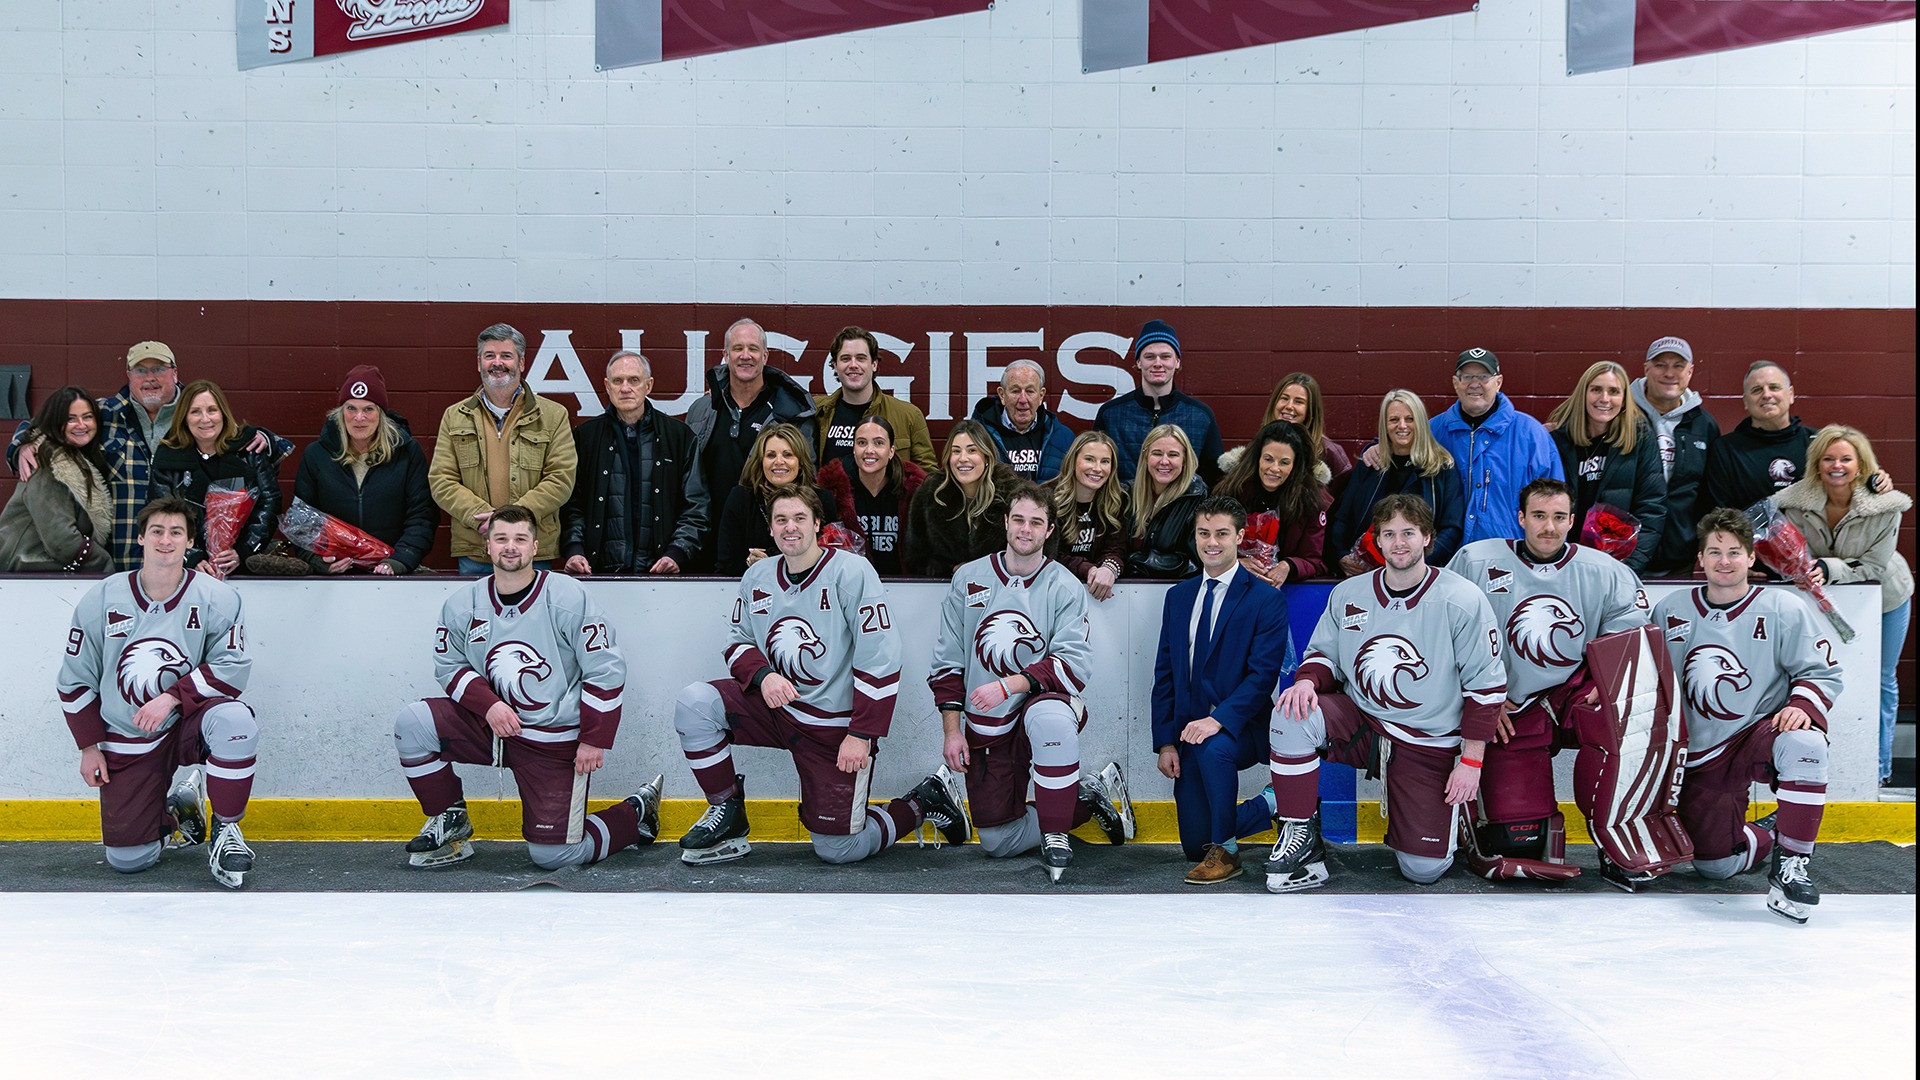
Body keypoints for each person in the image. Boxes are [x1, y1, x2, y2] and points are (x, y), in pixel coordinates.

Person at [672, 485, 971, 865]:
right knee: (695, 703)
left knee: (838, 849)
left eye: (799, 518)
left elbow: (881, 658)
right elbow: (737, 642)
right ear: (771, 528)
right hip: (776, 709)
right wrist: (763, 676)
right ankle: (726, 813)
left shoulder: (851, 572)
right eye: (781, 519)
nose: (790, 527)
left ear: (817, 524)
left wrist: (861, 734)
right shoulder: (758, 577)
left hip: (835, 731)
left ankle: (924, 801)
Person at [391, 504, 661, 871]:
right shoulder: (461, 605)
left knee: (555, 857)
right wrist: (487, 705)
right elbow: (448, 664)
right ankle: (449, 817)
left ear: (536, 547)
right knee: (413, 723)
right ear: (487, 545)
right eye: (501, 538)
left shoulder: (567, 597)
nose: (510, 547)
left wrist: (594, 737)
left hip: (552, 741)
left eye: (520, 539)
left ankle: (636, 812)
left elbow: (606, 669)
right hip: (490, 728)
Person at [1266, 494, 1506, 891]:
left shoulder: (1461, 599)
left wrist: (1472, 762)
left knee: (1422, 870)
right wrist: (1307, 681)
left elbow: (1486, 685)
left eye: (1408, 533)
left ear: (1427, 537)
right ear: (1376, 540)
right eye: (1389, 533)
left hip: (1428, 741)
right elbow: (1325, 655)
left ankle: (1454, 820)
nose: (1399, 543)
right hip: (1364, 721)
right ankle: (1301, 835)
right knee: (1292, 711)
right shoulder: (1349, 594)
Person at [929, 481, 1134, 881]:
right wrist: (953, 731)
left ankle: (1055, 833)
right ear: (1005, 523)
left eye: (1035, 522)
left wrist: (1008, 686)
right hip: (987, 723)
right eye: (1019, 520)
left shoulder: (1064, 586)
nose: (1026, 529)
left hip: (1041, 705)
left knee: (1049, 717)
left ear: (1049, 531)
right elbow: (947, 661)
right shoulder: (969, 578)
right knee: (996, 841)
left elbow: (1073, 664)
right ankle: (1088, 798)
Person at [1449, 479, 1651, 884]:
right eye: (1539, 516)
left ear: (1572, 521)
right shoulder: (1474, 561)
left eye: (1559, 517)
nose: (1548, 527)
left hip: (1573, 693)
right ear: (1520, 518)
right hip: (1510, 704)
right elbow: (1446, 633)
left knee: (1628, 720)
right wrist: (1480, 700)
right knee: (1517, 837)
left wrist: (1607, 680)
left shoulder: (1604, 571)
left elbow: (1633, 638)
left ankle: (1618, 839)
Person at [1650, 508, 1844, 923]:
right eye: (1715, 552)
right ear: (1699, 559)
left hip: (1759, 732)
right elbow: (1645, 676)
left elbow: (1821, 671)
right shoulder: (1669, 610)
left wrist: (1800, 704)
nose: (1724, 561)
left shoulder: (1782, 607)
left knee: (1806, 743)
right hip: (1699, 753)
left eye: (1734, 552)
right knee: (1715, 867)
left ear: (1752, 557)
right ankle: (1772, 831)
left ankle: (1792, 864)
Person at [57, 496, 260, 887]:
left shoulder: (218, 598)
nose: (166, 540)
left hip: (188, 721)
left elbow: (234, 667)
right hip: (129, 732)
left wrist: (171, 697)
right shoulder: (102, 598)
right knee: (128, 860)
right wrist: (88, 746)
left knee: (236, 721)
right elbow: (74, 679)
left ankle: (227, 832)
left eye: (176, 532)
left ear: (189, 542)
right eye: (157, 531)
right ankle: (179, 812)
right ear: (140, 539)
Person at [9, 341, 285, 567]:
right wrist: (23, 444)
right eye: (140, 370)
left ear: (175, 373)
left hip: (181, 560)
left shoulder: (196, 412)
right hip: (119, 554)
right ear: (128, 376)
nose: (150, 378)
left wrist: (267, 440)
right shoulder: (104, 414)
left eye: (159, 369)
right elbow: (48, 423)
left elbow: (242, 441)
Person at [1152, 495, 1292, 883]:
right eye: (1203, 533)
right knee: (1196, 844)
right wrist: (1165, 742)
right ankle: (1271, 803)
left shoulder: (1265, 599)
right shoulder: (1177, 597)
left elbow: (1263, 675)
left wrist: (1218, 720)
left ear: (1239, 537)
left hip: (1241, 727)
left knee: (1215, 749)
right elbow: (1164, 673)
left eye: (1221, 534)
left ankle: (1228, 853)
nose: (1211, 542)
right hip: (1188, 734)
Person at [1772, 425, 1912, 789]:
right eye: (1828, 458)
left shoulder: (1886, 506)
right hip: (1822, 603)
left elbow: (1875, 566)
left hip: (1886, 598)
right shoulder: (1792, 503)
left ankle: (1879, 769)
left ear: (1861, 465)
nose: (1837, 465)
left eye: (1846, 459)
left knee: (1882, 679)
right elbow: (1786, 552)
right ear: (1816, 464)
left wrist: (1825, 568)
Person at [429, 324, 578, 575]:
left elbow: (561, 478)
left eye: (506, 356)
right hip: (476, 549)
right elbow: (441, 480)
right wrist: (483, 519)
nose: (497, 363)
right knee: (479, 614)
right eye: (490, 356)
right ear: (479, 363)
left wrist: (513, 521)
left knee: (532, 613)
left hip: (531, 549)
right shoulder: (455, 417)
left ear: (521, 363)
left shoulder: (553, 415)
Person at [560, 350, 707, 576]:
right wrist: (574, 550)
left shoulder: (678, 437)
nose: (625, 388)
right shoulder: (586, 438)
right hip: (598, 572)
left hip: (661, 572)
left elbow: (696, 504)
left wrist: (677, 551)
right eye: (618, 381)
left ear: (648, 386)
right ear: (607, 386)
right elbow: (571, 504)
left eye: (634, 380)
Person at [686, 318, 818, 561]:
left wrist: (777, 550)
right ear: (725, 355)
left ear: (765, 356)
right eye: (737, 348)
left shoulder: (791, 414)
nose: (745, 355)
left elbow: (804, 484)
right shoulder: (701, 410)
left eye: (753, 349)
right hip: (705, 544)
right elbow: (688, 482)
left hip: (765, 548)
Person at [291, 365, 437, 576]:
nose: (359, 418)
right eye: (351, 409)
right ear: (341, 413)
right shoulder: (317, 455)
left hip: (392, 571)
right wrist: (318, 560)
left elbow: (422, 515)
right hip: (336, 577)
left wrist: (400, 560)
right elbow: (301, 520)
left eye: (368, 409)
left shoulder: (407, 452)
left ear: (381, 414)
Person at [1420, 348, 1562, 545]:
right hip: (1446, 558)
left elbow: (1555, 504)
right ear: (1455, 383)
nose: (1475, 384)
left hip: (1513, 557)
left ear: (1498, 382)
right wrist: (1375, 448)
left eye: (1484, 377)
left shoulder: (1531, 434)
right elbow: (1399, 451)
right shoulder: (1433, 432)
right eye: (1467, 376)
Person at [150, 380, 283, 578]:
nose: (205, 419)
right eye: (195, 412)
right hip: (185, 571)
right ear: (184, 417)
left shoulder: (248, 451)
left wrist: (244, 550)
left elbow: (269, 501)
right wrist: (190, 556)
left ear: (223, 413)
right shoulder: (168, 457)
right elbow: (161, 513)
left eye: (212, 410)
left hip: (242, 569)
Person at [1545, 360, 1668, 573]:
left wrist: (1630, 567)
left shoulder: (1639, 437)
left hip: (1617, 564)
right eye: (1596, 390)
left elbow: (1652, 507)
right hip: (1563, 562)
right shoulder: (1557, 438)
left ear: (1624, 399)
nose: (1604, 399)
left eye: (1613, 391)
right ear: (1583, 394)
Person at [1329, 389, 1465, 574]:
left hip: (1422, 574)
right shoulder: (1369, 465)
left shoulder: (1441, 467)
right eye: (1394, 419)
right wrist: (1340, 555)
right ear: (1384, 425)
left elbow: (1451, 528)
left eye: (1410, 419)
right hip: (1365, 573)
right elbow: (1343, 518)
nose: (1402, 426)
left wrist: (1416, 562)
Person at [0, 386, 115, 573]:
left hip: (43, 575)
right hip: (26, 573)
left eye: (87, 417)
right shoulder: (47, 464)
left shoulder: (77, 460)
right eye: (70, 419)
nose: (81, 424)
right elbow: (61, 539)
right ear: (55, 422)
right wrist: (104, 564)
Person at [1094, 319, 1225, 484]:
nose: (1158, 363)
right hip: (1124, 508)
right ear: (1138, 362)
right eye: (1149, 357)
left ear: (1176, 362)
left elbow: (1214, 479)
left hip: (1183, 509)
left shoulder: (1201, 416)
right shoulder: (1111, 414)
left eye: (1165, 356)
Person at [1630, 336, 1720, 575]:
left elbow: (1708, 494)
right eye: (1660, 364)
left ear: (1690, 372)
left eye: (1678, 366)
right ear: (1646, 369)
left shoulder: (1704, 425)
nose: (1669, 373)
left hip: (1679, 558)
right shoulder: (1621, 414)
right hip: (1622, 554)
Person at [1214, 420, 1331, 585]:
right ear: (1257, 459)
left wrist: (1289, 566)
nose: (1274, 468)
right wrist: (1234, 563)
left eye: (1284, 462)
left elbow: (1314, 560)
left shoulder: (1310, 501)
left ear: (1295, 465)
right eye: (1268, 459)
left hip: (1284, 590)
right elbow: (1209, 544)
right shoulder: (1231, 491)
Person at [903, 419, 1020, 578]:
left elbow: (1030, 552)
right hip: (944, 591)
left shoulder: (1013, 496)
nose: (963, 458)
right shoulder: (929, 495)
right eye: (956, 451)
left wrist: (990, 570)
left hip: (1002, 591)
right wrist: (951, 569)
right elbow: (915, 559)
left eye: (972, 450)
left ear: (986, 457)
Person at [713, 423, 835, 575]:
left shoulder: (822, 499)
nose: (779, 461)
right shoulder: (741, 497)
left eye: (788, 454)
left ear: (801, 461)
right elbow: (726, 561)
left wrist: (771, 561)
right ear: (761, 461)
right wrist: (751, 562)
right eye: (771, 455)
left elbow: (829, 555)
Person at [813, 325, 936, 474]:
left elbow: (928, 475)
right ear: (835, 365)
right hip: (830, 497)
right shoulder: (815, 411)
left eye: (861, 358)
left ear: (874, 364)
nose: (853, 365)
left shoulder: (908, 415)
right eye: (845, 359)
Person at [817, 415, 926, 577]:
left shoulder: (915, 489)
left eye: (879, 443)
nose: (869, 450)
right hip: (850, 585)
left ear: (891, 451)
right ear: (854, 449)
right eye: (862, 443)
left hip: (905, 587)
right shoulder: (831, 491)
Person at [1219, 373, 1351, 492]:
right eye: (1284, 398)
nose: (1289, 406)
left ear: (1311, 411)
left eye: (1299, 402)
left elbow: (1343, 507)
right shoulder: (1260, 444)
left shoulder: (1330, 453)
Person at [1045, 430, 1128, 601]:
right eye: (1089, 459)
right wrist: (1088, 569)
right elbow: (1049, 554)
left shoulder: (1118, 500)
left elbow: (1117, 548)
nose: (1097, 468)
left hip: (1097, 593)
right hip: (1051, 590)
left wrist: (1109, 568)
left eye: (1105, 461)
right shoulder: (1046, 498)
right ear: (1073, 460)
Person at [970, 359, 1076, 483]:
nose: (1023, 399)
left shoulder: (1064, 438)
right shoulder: (977, 436)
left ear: (1041, 396)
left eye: (1030, 391)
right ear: (1002, 395)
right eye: (1015, 391)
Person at [1124, 424, 1208, 580]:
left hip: (1176, 589)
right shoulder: (1127, 493)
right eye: (1157, 453)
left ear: (1184, 460)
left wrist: (1139, 562)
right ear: (1145, 456)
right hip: (1125, 591)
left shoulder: (1197, 496)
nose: (1164, 461)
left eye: (1173, 455)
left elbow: (1195, 562)